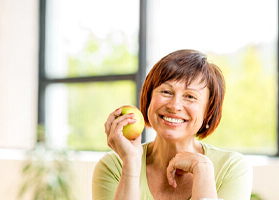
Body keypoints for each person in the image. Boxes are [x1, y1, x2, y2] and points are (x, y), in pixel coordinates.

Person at [92, 49, 253, 200]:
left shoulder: (231, 168)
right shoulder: (113, 166)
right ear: (149, 99)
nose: (174, 105)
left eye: (190, 96)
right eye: (166, 92)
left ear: (208, 111)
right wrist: (131, 163)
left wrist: (202, 169)